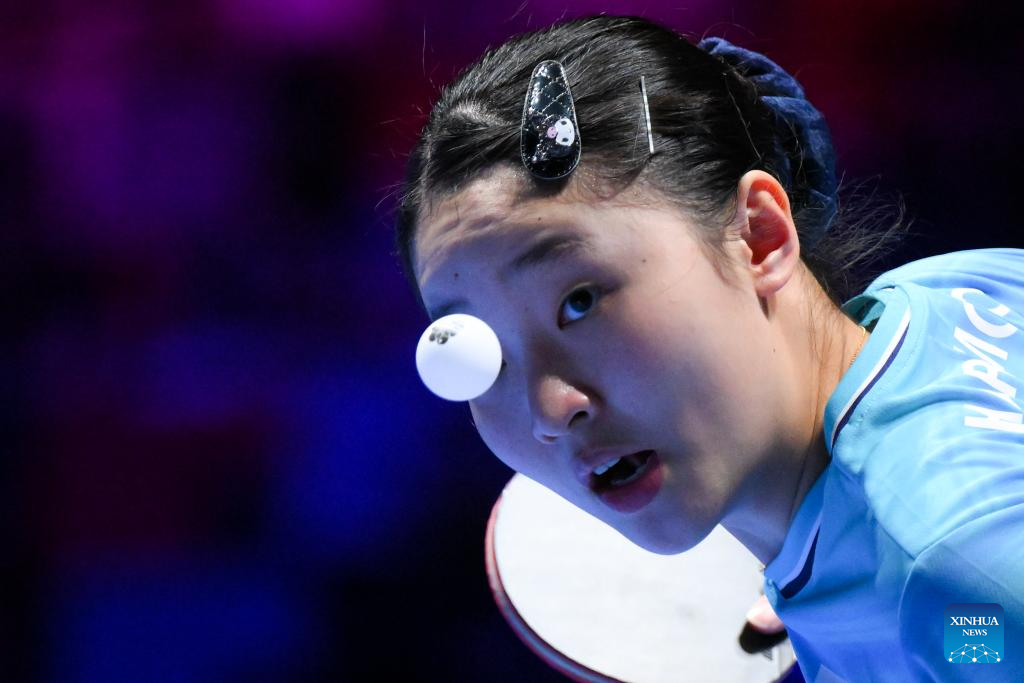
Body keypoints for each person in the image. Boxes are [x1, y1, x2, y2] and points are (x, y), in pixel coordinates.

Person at [394, 15, 1024, 682]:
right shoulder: (953, 291)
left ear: (758, 236)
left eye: (579, 301)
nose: (549, 409)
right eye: (484, 357)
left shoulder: (955, 589)